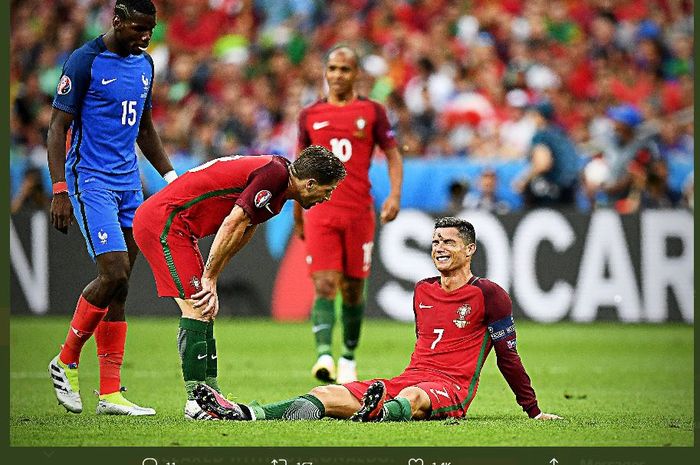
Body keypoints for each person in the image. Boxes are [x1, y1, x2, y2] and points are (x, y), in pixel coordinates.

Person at [193, 217, 562, 423]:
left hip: (448, 389)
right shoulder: (422, 290)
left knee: (414, 397)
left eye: (449, 242)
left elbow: (508, 357)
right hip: (408, 379)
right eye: (435, 242)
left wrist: (532, 410)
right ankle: (248, 414)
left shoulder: (490, 295)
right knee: (328, 393)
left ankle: (378, 413)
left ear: (470, 250)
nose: (439, 249)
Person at [131, 146, 346, 420]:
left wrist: (214, 277)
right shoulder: (275, 176)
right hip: (165, 222)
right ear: (310, 183)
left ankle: (212, 395)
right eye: (327, 190)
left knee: (205, 308)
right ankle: (196, 402)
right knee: (197, 308)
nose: (326, 198)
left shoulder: (278, 186)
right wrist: (208, 277)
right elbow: (233, 222)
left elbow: (245, 229)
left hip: (180, 228)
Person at [47, 0, 176, 416]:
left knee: (120, 287)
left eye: (150, 30)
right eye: (138, 28)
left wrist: (171, 178)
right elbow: (57, 129)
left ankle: (110, 394)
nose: (145, 36)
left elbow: (144, 127)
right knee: (113, 270)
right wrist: (60, 189)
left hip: (129, 185)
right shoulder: (85, 61)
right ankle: (65, 359)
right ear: (116, 21)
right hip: (91, 181)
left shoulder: (145, 66)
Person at [294, 45, 403, 384]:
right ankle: (324, 355)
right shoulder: (309, 115)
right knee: (325, 284)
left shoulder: (372, 112)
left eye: (344, 69)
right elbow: (298, 169)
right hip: (320, 212)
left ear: (356, 74)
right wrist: (298, 214)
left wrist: (395, 196)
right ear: (325, 73)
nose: (337, 75)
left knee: (353, 290)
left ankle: (349, 357)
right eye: (332, 68)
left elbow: (393, 155)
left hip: (359, 212)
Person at [515, 100, 579, 208]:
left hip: (550, 192)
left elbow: (543, 164)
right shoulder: (561, 133)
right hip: (570, 191)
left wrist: (523, 180)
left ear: (540, 116)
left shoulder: (541, 136)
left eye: (534, 114)